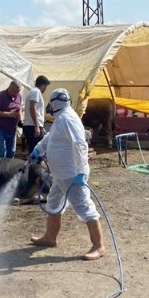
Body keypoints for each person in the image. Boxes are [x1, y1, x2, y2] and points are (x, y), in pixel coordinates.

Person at [28, 88, 105, 260]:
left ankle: (99, 246)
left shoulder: (67, 118)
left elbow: (79, 145)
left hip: (71, 175)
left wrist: (82, 172)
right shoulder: (61, 118)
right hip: (60, 175)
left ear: (54, 103)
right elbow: (50, 138)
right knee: (54, 202)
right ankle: (50, 238)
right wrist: (38, 149)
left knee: (85, 207)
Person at [0, 80, 23, 158]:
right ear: (9, 88)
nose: (15, 94)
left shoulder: (19, 96)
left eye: (17, 92)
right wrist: (9, 114)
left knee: (11, 153)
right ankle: (0, 170)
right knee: (1, 153)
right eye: (13, 92)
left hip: (12, 129)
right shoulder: (0, 96)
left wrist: (21, 117)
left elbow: (20, 108)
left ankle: (8, 170)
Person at [22, 75, 50, 152]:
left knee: (35, 149)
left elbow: (37, 110)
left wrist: (41, 127)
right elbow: (32, 108)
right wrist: (37, 126)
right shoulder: (36, 92)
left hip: (32, 125)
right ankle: (33, 164)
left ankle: (33, 163)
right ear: (43, 85)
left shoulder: (33, 92)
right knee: (36, 150)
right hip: (32, 126)